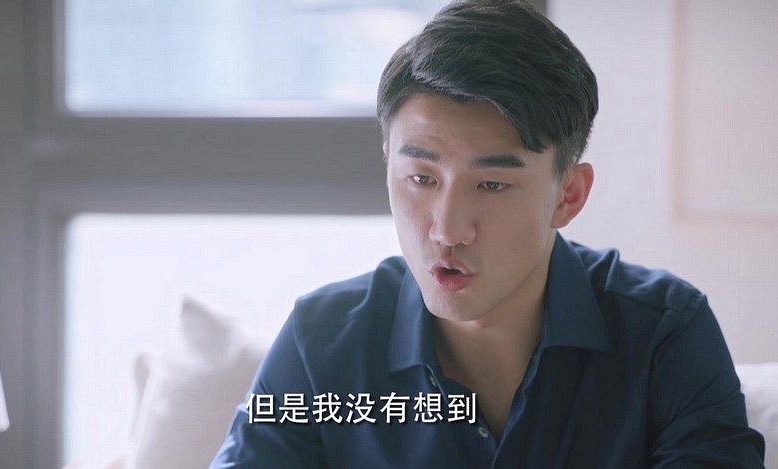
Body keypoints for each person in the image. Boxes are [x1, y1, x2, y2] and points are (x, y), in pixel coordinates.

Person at [211, 0, 765, 467]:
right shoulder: (321, 344)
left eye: (492, 185)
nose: (447, 230)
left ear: (568, 195)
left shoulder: (664, 336)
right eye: (421, 178)